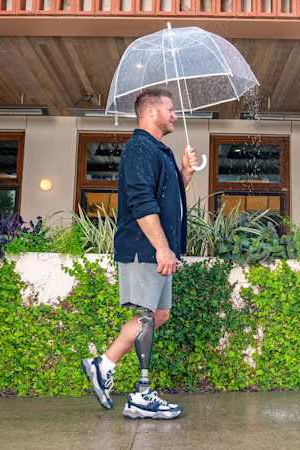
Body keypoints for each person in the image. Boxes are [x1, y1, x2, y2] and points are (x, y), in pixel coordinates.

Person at [81, 88, 198, 420]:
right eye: (171, 109)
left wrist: (184, 175)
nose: (175, 115)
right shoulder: (140, 149)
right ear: (151, 113)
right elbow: (142, 202)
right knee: (148, 315)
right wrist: (162, 247)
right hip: (145, 250)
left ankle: (102, 365)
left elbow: (167, 201)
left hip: (159, 251)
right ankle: (141, 395)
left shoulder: (159, 151)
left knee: (158, 316)